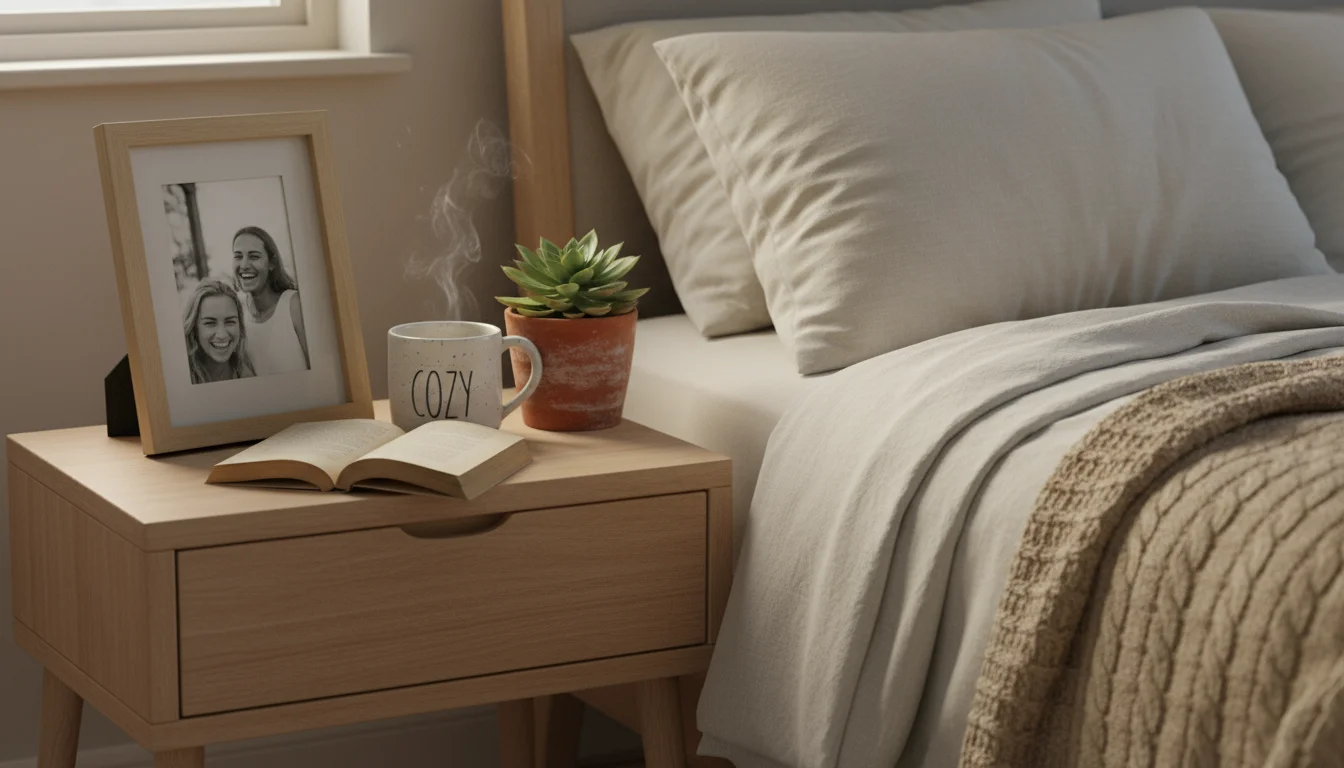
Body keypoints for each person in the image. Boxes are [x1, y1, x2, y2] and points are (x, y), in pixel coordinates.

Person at [232, 226, 310, 375]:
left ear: (272, 263)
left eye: (254, 256)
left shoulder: (294, 305)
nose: (244, 265)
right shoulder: (237, 315)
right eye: (238, 256)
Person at [183, 278, 256, 384]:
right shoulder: (181, 376)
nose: (222, 335)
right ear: (194, 328)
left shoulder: (247, 369)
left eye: (230, 321)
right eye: (210, 323)